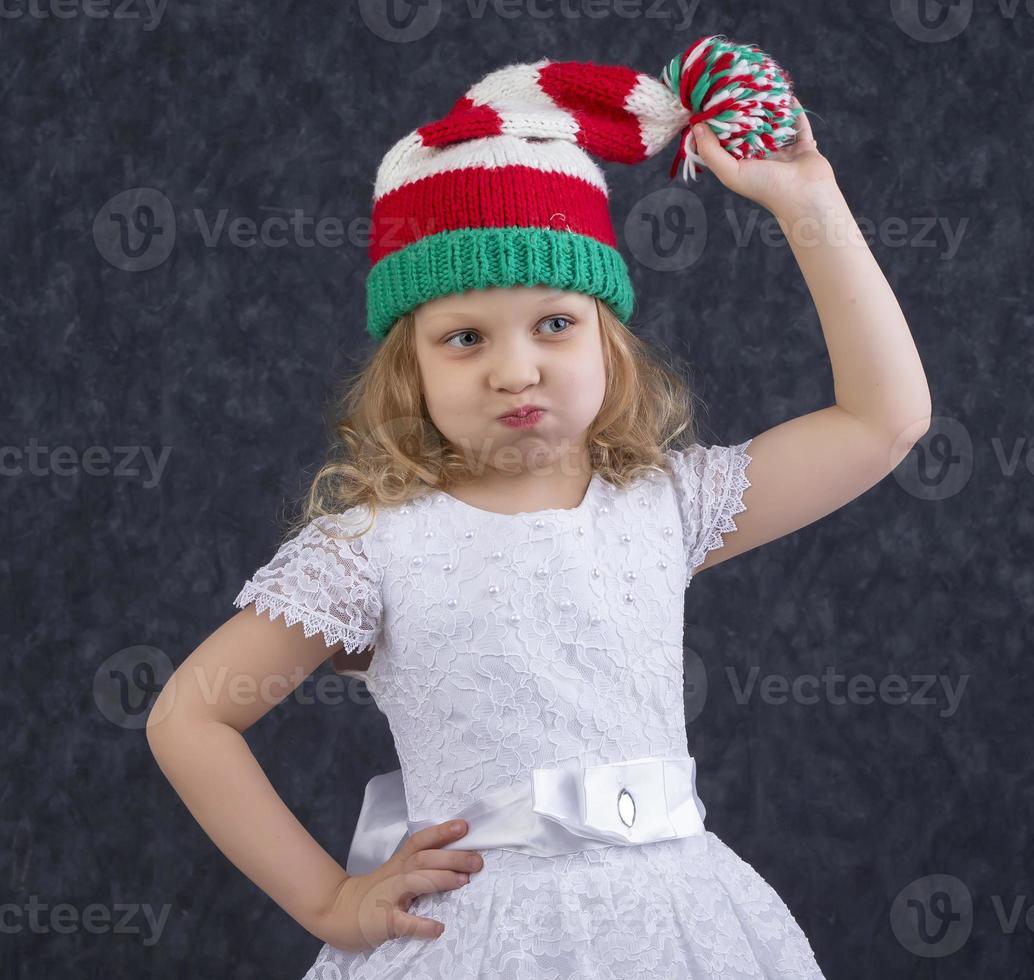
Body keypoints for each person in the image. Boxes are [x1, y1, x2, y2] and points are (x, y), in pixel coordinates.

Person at [146, 34, 930, 978]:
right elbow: (190, 717)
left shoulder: (666, 506)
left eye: (555, 323)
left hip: (679, 931)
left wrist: (810, 201)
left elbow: (883, 421)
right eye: (464, 336)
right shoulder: (375, 549)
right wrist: (331, 900)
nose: (515, 368)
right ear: (410, 366)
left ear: (609, 341)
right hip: (480, 944)